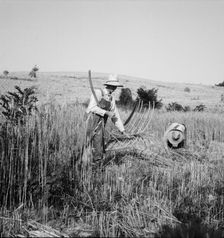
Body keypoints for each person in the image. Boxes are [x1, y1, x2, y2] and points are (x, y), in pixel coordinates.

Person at [85, 74, 129, 162]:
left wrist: (122, 131)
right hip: (91, 123)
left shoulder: (111, 98)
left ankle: (96, 165)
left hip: (101, 124)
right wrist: (106, 112)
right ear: (108, 85)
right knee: (90, 145)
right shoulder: (98, 92)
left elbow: (115, 115)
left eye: (115, 86)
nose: (114, 88)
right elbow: (91, 108)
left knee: (99, 145)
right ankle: (88, 166)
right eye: (113, 86)